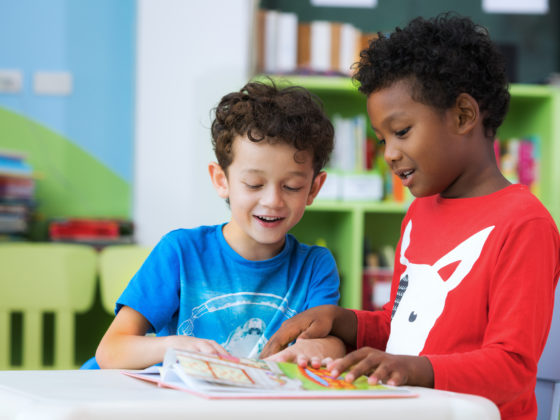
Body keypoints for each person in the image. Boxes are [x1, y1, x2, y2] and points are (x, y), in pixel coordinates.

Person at [260, 13, 560, 420]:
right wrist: (343, 320)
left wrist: (414, 370)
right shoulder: (419, 212)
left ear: (463, 116)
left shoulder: (525, 224)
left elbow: (513, 369)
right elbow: (402, 326)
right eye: (382, 140)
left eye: (401, 132)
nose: (390, 154)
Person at [94, 80, 343, 369]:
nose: (273, 200)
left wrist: (319, 347)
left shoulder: (315, 266)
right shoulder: (181, 252)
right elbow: (111, 351)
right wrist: (173, 346)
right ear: (221, 180)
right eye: (254, 184)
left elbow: (333, 343)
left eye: (291, 186)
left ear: (314, 188)